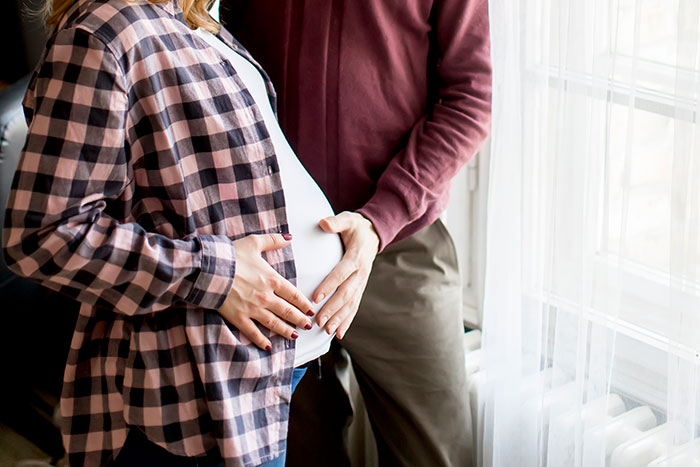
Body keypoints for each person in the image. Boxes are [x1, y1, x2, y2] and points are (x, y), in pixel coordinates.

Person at [2, 0, 350, 465]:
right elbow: (42, 235)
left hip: (267, 373)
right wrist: (217, 273)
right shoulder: (103, 34)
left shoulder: (192, 19)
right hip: (190, 390)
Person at [221, 1, 492, 466]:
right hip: (275, 257)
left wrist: (379, 219)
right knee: (301, 452)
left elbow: (471, 99)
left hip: (400, 252)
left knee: (434, 454)